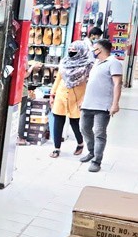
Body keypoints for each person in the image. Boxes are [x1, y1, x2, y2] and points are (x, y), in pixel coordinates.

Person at [79, 39, 123, 172]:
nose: (93, 51)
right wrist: (83, 99)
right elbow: (91, 83)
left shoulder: (114, 62)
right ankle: (91, 151)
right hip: (88, 104)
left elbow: (117, 84)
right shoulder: (96, 63)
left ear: (100, 49)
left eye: (94, 49)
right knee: (84, 129)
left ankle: (96, 161)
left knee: (99, 133)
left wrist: (115, 104)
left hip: (102, 106)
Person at [49, 41, 91, 158]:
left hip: (77, 98)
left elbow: (90, 84)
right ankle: (56, 148)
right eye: (70, 50)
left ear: (81, 52)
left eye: (74, 51)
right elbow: (58, 79)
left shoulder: (87, 66)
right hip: (61, 95)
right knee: (58, 122)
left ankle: (80, 143)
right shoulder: (64, 62)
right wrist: (52, 94)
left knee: (75, 123)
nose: (71, 52)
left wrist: (84, 99)